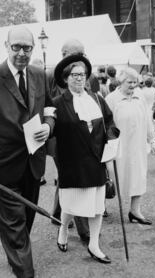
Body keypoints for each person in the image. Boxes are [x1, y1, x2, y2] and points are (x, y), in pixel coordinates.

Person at [0, 26, 55, 278]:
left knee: (26, 217)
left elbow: (50, 108)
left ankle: (16, 255)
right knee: (13, 221)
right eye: (16, 47)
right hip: (2, 163)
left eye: (27, 48)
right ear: (6, 46)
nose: (21, 53)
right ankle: (24, 271)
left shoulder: (40, 74)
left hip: (34, 162)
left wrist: (48, 127)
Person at [53, 54, 117, 263]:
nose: (80, 79)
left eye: (83, 75)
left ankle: (94, 245)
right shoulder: (57, 104)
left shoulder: (97, 99)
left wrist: (111, 147)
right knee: (70, 204)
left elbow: (110, 124)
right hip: (72, 163)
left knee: (97, 206)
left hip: (95, 161)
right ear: (66, 79)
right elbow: (49, 129)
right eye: (75, 75)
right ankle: (63, 231)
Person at [47, 38, 97, 241]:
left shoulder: (87, 75)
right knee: (74, 176)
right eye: (77, 54)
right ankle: (84, 229)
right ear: (63, 54)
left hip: (84, 136)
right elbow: (45, 105)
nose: (82, 57)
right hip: (61, 137)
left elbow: (93, 101)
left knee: (68, 175)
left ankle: (57, 213)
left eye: (83, 54)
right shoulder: (50, 75)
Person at [106, 67, 154, 225]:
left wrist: (151, 139)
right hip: (119, 145)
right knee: (113, 177)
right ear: (121, 81)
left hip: (138, 145)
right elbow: (105, 123)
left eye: (135, 82)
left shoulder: (140, 98)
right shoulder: (112, 99)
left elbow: (147, 119)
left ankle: (135, 210)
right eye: (129, 82)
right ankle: (101, 207)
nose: (133, 85)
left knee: (138, 176)